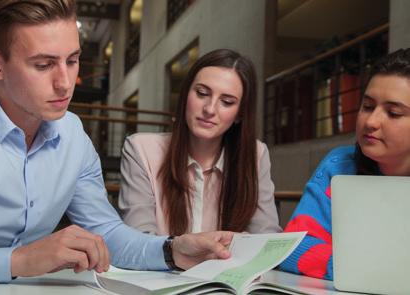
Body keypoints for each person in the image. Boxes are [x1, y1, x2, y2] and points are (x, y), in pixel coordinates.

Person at [0, 1, 234, 294]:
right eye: (43, 65)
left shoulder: (72, 133)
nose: (65, 83)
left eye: (72, 60)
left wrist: (172, 249)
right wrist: (19, 260)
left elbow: (105, 232)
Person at [118, 49, 281, 236]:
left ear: (240, 114)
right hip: (160, 266)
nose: (209, 109)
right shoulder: (141, 149)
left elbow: (265, 237)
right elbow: (139, 239)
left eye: (227, 102)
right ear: (186, 95)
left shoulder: (256, 154)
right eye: (202, 93)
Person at [279, 48, 410, 280]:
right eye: (367, 106)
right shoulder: (339, 165)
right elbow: (292, 247)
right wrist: (370, 271)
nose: (371, 121)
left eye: (393, 113)